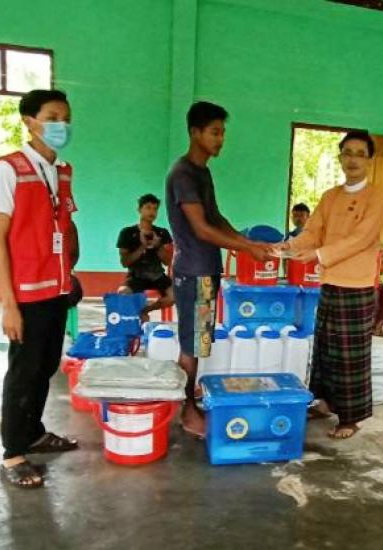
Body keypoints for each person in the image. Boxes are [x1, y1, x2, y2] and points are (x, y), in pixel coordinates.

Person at [0, 89, 81, 489]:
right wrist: (8, 304)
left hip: (56, 288)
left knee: (45, 367)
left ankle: (34, 432)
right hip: (26, 292)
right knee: (23, 373)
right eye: (52, 117)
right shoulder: (7, 169)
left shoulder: (62, 171)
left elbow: (65, 223)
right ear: (29, 122)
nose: (62, 125)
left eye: (66, 117)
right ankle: (13, 453)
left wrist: (70, 268)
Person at [165, 101, 274, 438]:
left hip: (206, 269)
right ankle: (187, 411)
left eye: (223, 132)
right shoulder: (183, 174)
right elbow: (201, 229)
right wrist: (246, 248)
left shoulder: (202, 172)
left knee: (198, 342)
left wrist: (245, 240)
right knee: (192, 345)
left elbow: (215, 218)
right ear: (194, 132)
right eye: (214, 132)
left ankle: (189, 401)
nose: (220, 139)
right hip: (194, 271)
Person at [279, 130, 383, 439]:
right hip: (329, 283)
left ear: (369, 160)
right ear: (340, 157)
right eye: (348, 153)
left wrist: (317, 255)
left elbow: (361, 239)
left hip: (358, 286)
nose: (353, 160)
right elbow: (313, 232)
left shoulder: (377, 197)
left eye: (360, 154)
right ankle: (325, 402)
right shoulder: (330, 196)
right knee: (326, 348)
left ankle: (351, 417)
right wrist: (288, 247)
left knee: (350, 356)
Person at [116, 193, 174, 321]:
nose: (152, 212)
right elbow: (124, 262)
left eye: (155, 208)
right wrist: (142, 246)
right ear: (139, 210)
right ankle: (134, 318)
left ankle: (144, 311)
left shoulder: (162, 233)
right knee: (122, 293)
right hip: (136, 276)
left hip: (158, 276)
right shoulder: (127, 233)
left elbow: (167, 261)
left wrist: (158, 246)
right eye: (148, 207)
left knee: (174, 296)